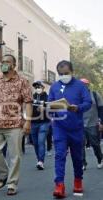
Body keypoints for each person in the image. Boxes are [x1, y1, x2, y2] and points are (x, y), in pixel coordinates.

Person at [0, 54, 33, 196]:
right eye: (2, 62)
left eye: (7, 62)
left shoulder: (22, 81)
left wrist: (28, 121)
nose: (4, 64)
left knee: (15, 155)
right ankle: (4, 175)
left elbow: (28, 102)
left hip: (15, 124)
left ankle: (12, 183)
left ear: (14, 65)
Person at [48, 61, 92, 198]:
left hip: (76, 128)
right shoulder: (54, 87)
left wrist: (78, 107)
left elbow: (88, 102)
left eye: (66, 73)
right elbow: (50, 104)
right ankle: (59, 185)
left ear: (72, 72)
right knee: (59, 155)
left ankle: (78, 181)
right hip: (59, 128)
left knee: (77, 157)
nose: (63, 76)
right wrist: (50, 111)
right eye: (60, 74)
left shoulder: (80, 86)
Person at [80, 78, 103, 170]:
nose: (83, 86)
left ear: (88, 85)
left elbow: (101, 109)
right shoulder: (76, 97)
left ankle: (100, 159)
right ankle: (83, 163)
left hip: (93, 123)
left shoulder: (94, 94)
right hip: (80, 124)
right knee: (80, 144)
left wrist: (101, 122)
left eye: (85, 84)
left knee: (95, 144)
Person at [31, 81, 50, 170]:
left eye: (39, 86)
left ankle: (41, 161)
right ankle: (39, 160)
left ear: (43, 88)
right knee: (35, 143)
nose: (37, 88)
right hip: (33, 122)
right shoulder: (31, 97)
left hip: (44, 122)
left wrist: (45, 108)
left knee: (41, 141)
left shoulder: (48, 97)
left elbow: (53, 107)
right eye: (36, 87)